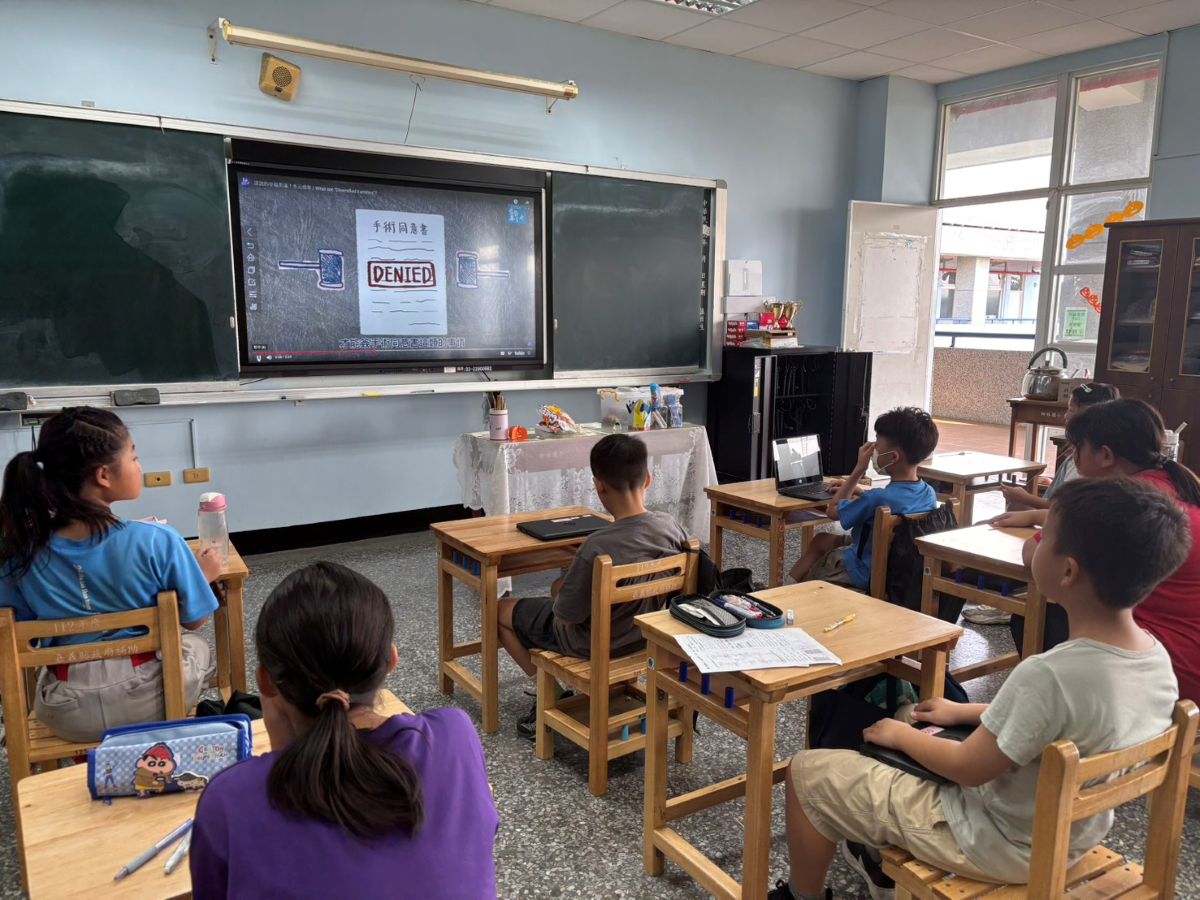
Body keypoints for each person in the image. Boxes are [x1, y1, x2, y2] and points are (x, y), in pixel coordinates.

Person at [770, 478, 1186, 900]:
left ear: (1067, 571)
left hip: (993, 841)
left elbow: (968, 768)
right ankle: (881, 863)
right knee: (912, 717)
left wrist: (901, 737)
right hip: (1070, 836)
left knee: (809, 772)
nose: (1035, 545)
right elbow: (1063, 723)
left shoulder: (1048, 674)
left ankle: (802, 895)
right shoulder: (1155, 661)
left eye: (1044, 537)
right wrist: (963, 711)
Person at [191, 562, 499, 899]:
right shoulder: (453, 738)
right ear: (391, 661)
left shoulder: (230, 800)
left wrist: (285, 747)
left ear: (265, 680)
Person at [0, 407, 219, 742]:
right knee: (196, 646)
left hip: (65, 712)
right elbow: (195, 619)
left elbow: (19, 627)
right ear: (103, 475)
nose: (139, 466)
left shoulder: (19, 551)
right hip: (154, 700)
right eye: (134, 457)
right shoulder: (157, 540)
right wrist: (202, 576)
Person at [994, 399, 1200, 702]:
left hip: (1159, 672)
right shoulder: (1176, 485)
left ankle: (1052, 704)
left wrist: (1048, 526)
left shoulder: (1120, 500)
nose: (1073, 459)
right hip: (1177, 663)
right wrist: (1041, 515)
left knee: (1037, 614)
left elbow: (1033, 556)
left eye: (1077, 450)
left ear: (1105, 455)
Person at [496, 433, 689, 739]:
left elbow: (566, 614)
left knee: (498, 611)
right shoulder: (672, 528)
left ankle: (552, 695)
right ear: (649, 479)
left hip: (590, 644)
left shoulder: (596, 546)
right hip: (645, 638)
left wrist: (560, 585)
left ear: (599, 485)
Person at [789, 407, 939, 591]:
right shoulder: (928, 493)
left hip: (862, 569)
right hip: (896, 566)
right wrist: (860, 492)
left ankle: (791, 594)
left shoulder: (875, 499)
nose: (873, 450)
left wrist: (858, 470)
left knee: (817, 571)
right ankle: (782, 588)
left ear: (893, 457)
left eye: (877, 445)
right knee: (821, 540)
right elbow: (892, 502)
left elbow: (833, 511)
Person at [1000, 382, 1120, 512]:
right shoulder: (1088, 453)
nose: (1066, 415)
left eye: (1070, 409)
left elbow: (1067, 509)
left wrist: (1025, 498)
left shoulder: (1089, 459)